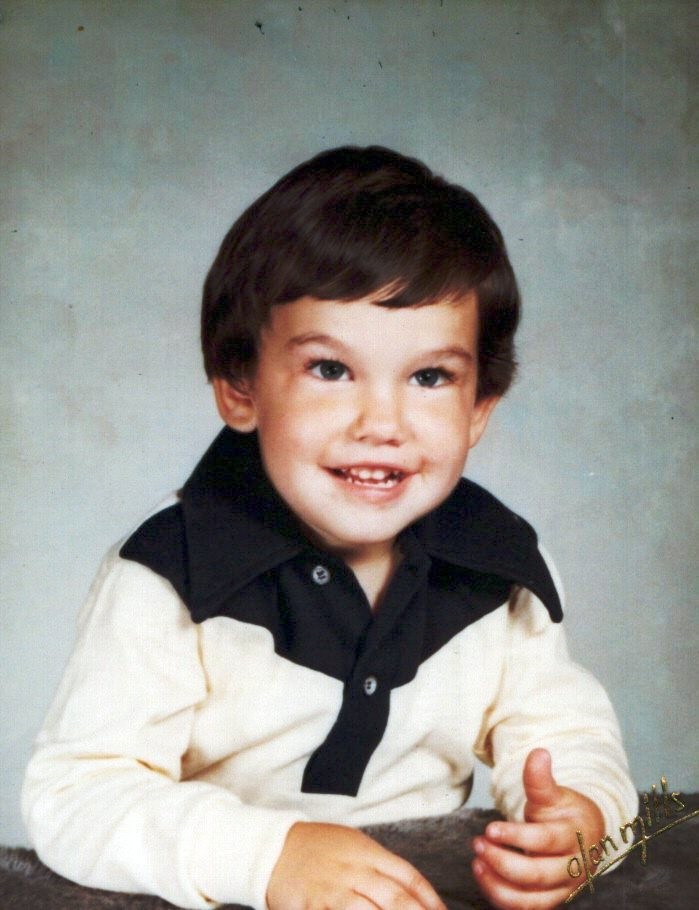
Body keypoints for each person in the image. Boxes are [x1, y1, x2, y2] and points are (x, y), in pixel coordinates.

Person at [22, 146, 637, 910]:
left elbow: (561, 733)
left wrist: (580, 820)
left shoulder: (499, 564)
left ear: (479, 406)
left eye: (429, 377)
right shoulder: (170, 573)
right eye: (330, 370)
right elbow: (78, 796)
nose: (381, 422)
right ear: (240, 386)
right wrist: (270, 858)